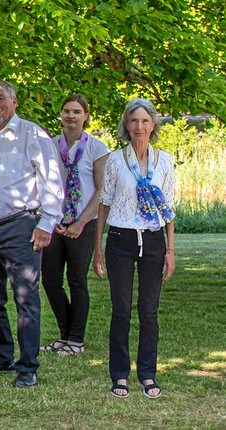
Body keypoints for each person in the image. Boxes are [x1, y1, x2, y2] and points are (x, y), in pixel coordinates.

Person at [0, 81, 63, 389]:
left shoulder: (31, 134)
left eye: (0, 98)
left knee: (25, 298)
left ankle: (28, 366)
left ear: (14, 102)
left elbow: (51, 177)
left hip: (21, 226)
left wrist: (47, 223)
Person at [93, 98, 175, 399]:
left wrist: (170, 251)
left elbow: (169, 209)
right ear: (126, 126)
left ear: (153, 124)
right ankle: (119, 374)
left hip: (153, 241)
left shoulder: (164, 161)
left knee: (149, 311)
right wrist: (98, 248)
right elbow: (104, 204)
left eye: (144, 121)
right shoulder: (115, 160)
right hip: (121, 240)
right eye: (133, 121)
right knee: (121, 310)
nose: (139, 127)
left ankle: (147, 373)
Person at [41, 95, 109, 357]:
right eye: (67, 111)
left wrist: (81, 222)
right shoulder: (50, 146)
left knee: (77, 281)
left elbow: (102, 191)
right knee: (50, 281)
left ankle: (76, 340)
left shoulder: (96, 148)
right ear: (61, 115)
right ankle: (65, 334)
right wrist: (48, 218)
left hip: (84, 222)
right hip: (54, 222)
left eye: (77, 112)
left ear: (86, 116)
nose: (71, 116)